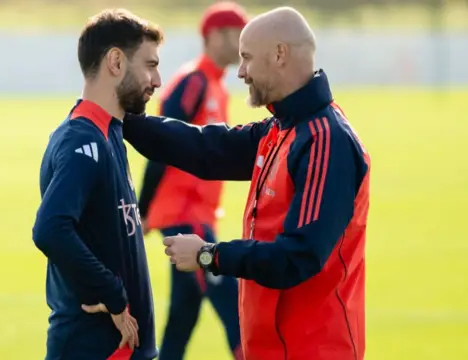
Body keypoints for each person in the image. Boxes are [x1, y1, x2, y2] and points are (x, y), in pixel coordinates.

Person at [123, 7, 370, 360]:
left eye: (247, 58)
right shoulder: (281, 129)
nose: (240, 72)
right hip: (274, 348)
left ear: (280, 55)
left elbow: (298, 257)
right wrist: (122, 116)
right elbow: (207, 148)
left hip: (311, 350)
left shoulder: (324, 140)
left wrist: (210, 254)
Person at [31, 9, 163, 360]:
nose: (158, 79)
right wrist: (114, 295)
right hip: (95, 348)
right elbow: (50, 228)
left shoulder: (109, 133)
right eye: (149, 65)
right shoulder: (81, 139)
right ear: (116, 62)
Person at [136, 2, 247, 359]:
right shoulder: (193, 81)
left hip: (197, 214)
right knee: (234, 306)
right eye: (237, 35)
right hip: (185, 218)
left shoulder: (217, 85)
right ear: (214, 37)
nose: (243, 44)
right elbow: (160, 145)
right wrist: (142, 209)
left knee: (183, 315)